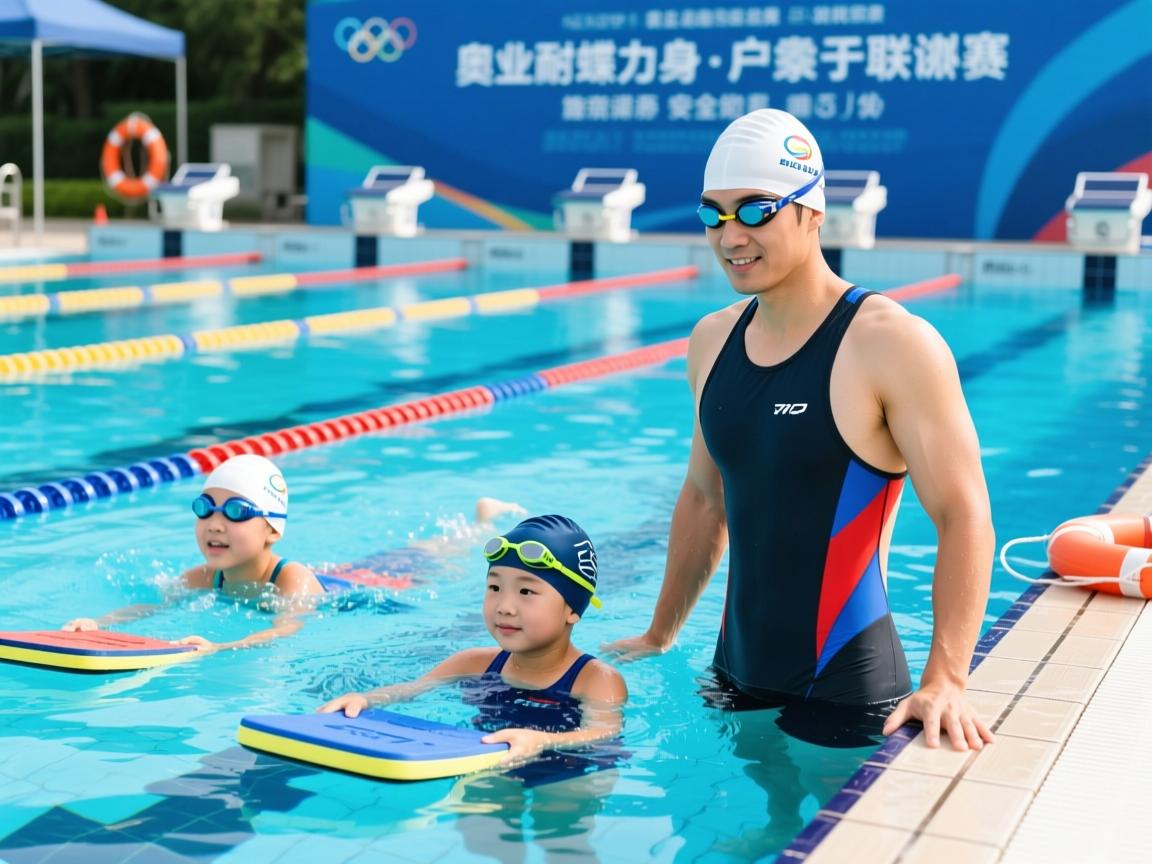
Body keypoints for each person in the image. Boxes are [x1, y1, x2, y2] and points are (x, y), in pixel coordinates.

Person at [604, 109, 995, 751]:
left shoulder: (891, 342)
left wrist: (947, 679)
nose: (731, 236)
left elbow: (963, 513)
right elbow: (705, 497)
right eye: (713, 214)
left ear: (812, 212)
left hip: (847, 688)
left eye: (756, 211)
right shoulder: (712, 340)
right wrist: (659, 634)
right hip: (733, 674)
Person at [320, 514, 628, 765]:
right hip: (492, 762)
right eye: (495, 588)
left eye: (526, 591)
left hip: (572, 767)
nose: (505, 607)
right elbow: (411, 689)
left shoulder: (596, 680)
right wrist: (366, 699)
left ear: (572, 608)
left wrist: (543, 741)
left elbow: (602, 733)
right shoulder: (472, 663)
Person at [62, 454, 322, 651]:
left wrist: (221, 647)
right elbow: (152, 607)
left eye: (236, 511)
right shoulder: (203, 578)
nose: (215, 525)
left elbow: (287, 628)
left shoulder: (292, 579)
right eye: (205, 509)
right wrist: (98, 623)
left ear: (273, 530)